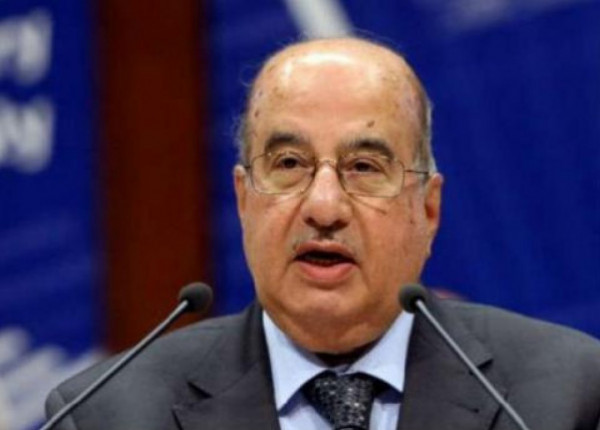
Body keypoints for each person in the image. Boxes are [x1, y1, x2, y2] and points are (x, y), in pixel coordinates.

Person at [45, 37, 600, 430]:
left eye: (364, 167)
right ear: (244, 200)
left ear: (428, 211)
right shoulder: (108, 415)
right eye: (288, 164)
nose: (325, 207)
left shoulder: (568, 397)